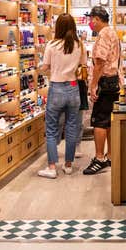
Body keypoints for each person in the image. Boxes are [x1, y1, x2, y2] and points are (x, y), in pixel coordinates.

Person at [37, 14, 86, 179]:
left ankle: (51, 167)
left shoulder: (51, 45)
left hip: (56, 87)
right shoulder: (79, 45)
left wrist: (40, 68)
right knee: (72, 128)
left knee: (51, 129)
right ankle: (68, 165)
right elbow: (83, 66)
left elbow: (45, 67)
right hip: (73, 88)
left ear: (57, 27)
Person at [83, 6, 121, 175]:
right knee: (109, 121)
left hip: (105, 82)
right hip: (113, 81)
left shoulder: (104, 34)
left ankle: (99, 158)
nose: (90, 23)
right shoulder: (112, 32)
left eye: (91, 19)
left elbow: (99, 62)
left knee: (99, 121)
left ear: (97, 19)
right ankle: (111, 156)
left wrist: (93, 85)